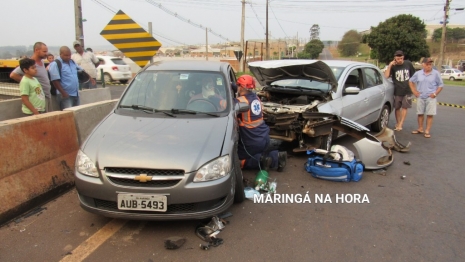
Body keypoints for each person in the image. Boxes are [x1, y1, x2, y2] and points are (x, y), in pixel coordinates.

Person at [235, 75, 287, 172]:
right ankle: (277, 156)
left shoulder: (240, 101)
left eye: (238, 85)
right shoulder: (256, 98)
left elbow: (224, 104)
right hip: (263, 137)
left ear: (241, 87)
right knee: (256, 152)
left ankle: (262, 161)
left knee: (238, 160)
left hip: (251, 141)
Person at [10, 42, 53, 112]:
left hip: (47, 96)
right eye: (44, 51)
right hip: (39, 97)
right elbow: (13, 75)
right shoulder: (30, 64)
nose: (46, 53)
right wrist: (30, 83)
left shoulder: (41, 62)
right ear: (37, 50)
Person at [409, 57, 443, 138]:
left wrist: (435, 94)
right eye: (427, 64)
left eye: (430, 64)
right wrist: (414, 91)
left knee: (430, 114)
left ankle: (427, 130)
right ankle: (420, 128)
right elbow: (411, 81)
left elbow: (441, 85)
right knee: (420, 113)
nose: (429, 66)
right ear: (423, 65)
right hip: (420, 96)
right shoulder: (418, 73)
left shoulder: (436, 73)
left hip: (430, 97)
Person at [384, 50, 416, 131]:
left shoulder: (408, 63)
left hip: (407, 89)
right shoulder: (393, 66)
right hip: (398, 89)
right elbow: (386, 76)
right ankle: (398, 123)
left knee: (405, 107)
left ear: (403, 57)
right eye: (398, 59)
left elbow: (413, 76)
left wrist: (413, 88)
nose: (399, 60)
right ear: (395, 58)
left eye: (401, 58)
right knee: (397, 107)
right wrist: (390, 65)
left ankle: (401, 124)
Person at [49, 46, 84, 110]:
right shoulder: (56, 64)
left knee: (76, 114)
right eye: (66, 55)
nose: (68, 57)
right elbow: (55, 80)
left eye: (69, 55)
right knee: (69, 114)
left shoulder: (72, 62)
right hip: (65, 95)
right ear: (60, 54)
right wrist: (63, 93)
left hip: (75, 94)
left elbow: (80, 70)